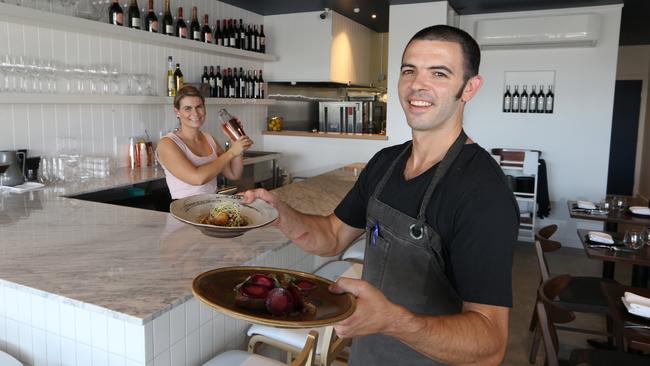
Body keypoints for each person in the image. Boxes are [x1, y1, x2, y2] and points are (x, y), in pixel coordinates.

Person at [243, 25, 518, 365]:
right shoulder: (386, 164)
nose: (418, 85)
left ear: (470, 88)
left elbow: (490, 344)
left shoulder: (483, 192)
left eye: (439, 73)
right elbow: (331, 237)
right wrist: (280, 213)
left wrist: (394, 321)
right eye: (409, 70)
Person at [156, 85, 253, 199]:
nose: (195, 113)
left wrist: (235, 141)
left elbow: (233, 174)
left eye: (199, 107)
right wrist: (231, 152)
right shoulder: (168, 143)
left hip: (211, 208)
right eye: (188, 108)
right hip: (184, 211)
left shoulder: (209, 139)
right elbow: (197, 178)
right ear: (177, 112)